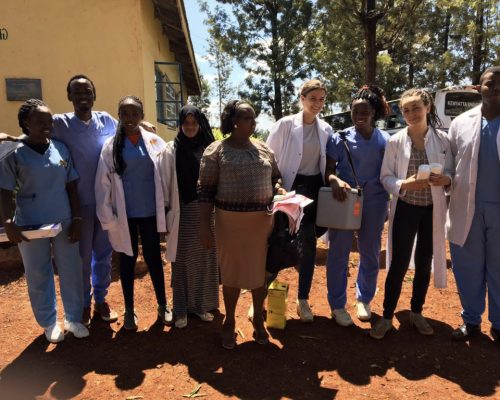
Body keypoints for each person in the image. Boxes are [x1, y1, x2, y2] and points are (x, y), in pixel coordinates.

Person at [0, 99, 89, 343]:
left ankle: (73, 318)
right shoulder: (13, 151)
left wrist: (78, 219)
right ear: (26, 123)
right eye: (40, 121)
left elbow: (72, 186)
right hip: (29, 224)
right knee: (38, 273)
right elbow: (4, 191)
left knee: (71, 269)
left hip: (63, 220)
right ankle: (49, 322)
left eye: (49, 121)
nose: (47, 125)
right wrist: (8, 222)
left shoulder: (60, 148)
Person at [198, 100, 282, 349]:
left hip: (261, 222)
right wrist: (205, 226)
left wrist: (280, 190)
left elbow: (276, 178)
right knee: (233, 273)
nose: (253, 123)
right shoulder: (216, 151)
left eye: (254, 118)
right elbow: (205, 191)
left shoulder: (264, 149)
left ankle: (258, 318)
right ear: (234, 122)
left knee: (260, 272)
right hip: (229, 222)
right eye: (248, 118)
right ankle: (230, 322)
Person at [370, 89, 453, 339]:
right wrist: (403, 185)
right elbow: (385, 177)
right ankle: (386, 316)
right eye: (406, 110)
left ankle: (416, 312)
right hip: (406, 208)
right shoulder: (396, 141)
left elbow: (453, 173)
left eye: (416, 107)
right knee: (398, 263)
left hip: (432, 209)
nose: (411, 114)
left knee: (424, 261)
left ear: (427, 107)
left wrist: (446, 179)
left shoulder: (443, 140)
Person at [95, 96, 172, 330]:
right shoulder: (110, 146)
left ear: (142, 115)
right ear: (119, 115)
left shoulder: (155, 141)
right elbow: (103, 185)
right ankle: (129, 310)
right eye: (124, 113)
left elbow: (166, 175)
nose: (129, 118)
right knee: (126, 261)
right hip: (124, 214)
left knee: (153, 258)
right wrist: (107, 217)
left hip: (149, 211)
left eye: (134, 113)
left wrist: (167, 206)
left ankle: (163, 304)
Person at [266, 79, 333, 322]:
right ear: (302, 99)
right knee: (278, 242)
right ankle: (261, 295)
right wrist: (276, 186)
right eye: (312, 98)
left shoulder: (325, 129)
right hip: (289, 190)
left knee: (308, 245)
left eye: (321, 99)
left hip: (314, 191)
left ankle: (302, 300)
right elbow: (269, 158)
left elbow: (327, 163)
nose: (317, 103)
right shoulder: (285, 125)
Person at [325, 85, 390, 327]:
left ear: (373, 112)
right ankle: (337, 304)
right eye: (355, 112)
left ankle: (364, 298)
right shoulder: (339, 138)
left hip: (375, 201)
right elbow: (329, 172)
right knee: (338, 253)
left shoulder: (385, 139)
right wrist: (334, 180)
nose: (359, 117)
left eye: (364, 112)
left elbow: (389, 172)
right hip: (345, 200)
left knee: (370, 252)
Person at [447, 66, 500, 343]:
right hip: (466, 207)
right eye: (491, 84)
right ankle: (471, 319)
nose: (496, 89)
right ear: (480, 88)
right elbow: (449, 164)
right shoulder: (461, 123)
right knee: (467, 265)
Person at [160, 105, 219, 329]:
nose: (190, 127)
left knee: (205, 259)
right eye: (186, 123)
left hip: (206, 210)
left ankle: (202, 306)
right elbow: (166, 184)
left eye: (194, 123)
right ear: (180, 124)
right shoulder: (171, 149)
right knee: (183, 262)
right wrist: (165, 215)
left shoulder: (209, 148)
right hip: (182, 211)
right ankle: (182, 310)